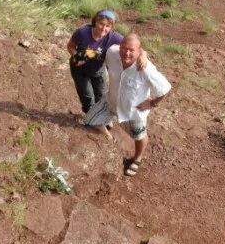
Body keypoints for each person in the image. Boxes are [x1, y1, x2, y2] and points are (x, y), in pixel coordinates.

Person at [104, 34, 171, 176]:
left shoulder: (145, 68)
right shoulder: (112, 52)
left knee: (138, 135)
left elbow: (165, 87)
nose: (126, 53)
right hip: (113, 103)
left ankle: (137, 157)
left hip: (134, 113)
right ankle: (105, 122)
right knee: (94, 118)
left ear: (139, 51)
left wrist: (152, 103)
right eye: (124, 48)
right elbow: (105, 38)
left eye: (131, 50)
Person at [66, 9, 124, 118]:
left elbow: (130, 44)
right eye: (101, 24)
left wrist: (143, 55)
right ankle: (92, 118)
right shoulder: (82, 33)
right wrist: (75, 56)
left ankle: (102, 117)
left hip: (98, 69)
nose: (104, 28)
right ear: (95, 22)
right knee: (87, 97)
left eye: (108, 26)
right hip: (80, 69)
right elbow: (70, 45)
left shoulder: (114, 37)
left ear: (111, 27)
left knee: (101, 96)